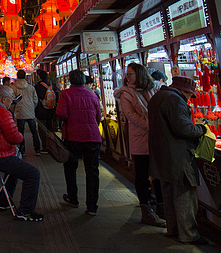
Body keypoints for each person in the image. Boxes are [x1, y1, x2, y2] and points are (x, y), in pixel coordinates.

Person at [149, 76, 209, 245]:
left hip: (162, 154)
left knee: (168, 194)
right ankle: (188, 234)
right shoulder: (175, 100)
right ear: (185, 91)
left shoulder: (158, 97)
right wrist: (201, 128)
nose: (190, 99)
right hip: (178, 155)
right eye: (191, 95)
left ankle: (173, 229)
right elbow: (183, 128)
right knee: (184, 195)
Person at [0, 85, 44, 222]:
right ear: (3, 98)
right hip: (0, 156)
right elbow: (14, 136)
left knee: (14, 169)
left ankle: (4, 203)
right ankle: (26, 211)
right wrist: (21, 137)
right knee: (33, 174)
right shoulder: (2, 112)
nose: (12, 102)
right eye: (10, 99)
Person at [114, 62, 164, 226]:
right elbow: (131, 116)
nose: (127, 77)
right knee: (142, 175)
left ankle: (162, 208)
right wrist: (154, 126)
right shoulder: (126, 94)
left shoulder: (153, 90)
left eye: (131, 74)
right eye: (127, 74)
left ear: (140, 75)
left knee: (159, 175)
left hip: (157, 139)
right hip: (140, 139)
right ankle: (146, 211)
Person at [56, 69, 102, 215]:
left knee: (70, 168)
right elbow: (98, 117)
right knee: (92, 171)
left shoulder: (66, 94)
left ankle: (73, 198)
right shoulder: (93, 95)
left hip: (73, 137)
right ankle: (92, 206)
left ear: (70, 80)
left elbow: (61, 114)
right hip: (92, 137)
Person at [11, 70, 41, 156]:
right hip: (30, 112)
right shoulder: (31, 87)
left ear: (17, 76)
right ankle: (37, 149)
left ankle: (22, 150)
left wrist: (14, 110)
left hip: (20, 112)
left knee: (21, 132)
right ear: (25, 76)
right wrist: (32, 107)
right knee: (34, 131)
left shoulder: (13, 88)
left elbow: (13, 101)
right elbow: (35, 100)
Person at [35, 69, 59, 133]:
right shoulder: (52, 86)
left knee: (42, 129)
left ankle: (44, 142)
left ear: (39, 77)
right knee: (49, 127)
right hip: (51, 109)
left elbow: (35, 99)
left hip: (41, 111)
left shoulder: (37, 87)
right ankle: (49, 141)